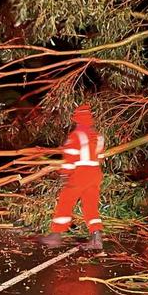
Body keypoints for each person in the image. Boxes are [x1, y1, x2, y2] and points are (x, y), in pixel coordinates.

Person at [40, 104, 104, 250]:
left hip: (81, 173)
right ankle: (96, 239)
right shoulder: (98, 136)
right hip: (95, 173)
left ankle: (55, 236)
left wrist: (65, 175)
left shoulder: (76, 135)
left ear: (77, 119)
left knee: (66, 201)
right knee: (91, 206)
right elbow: (100, 157)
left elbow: (70, 158)